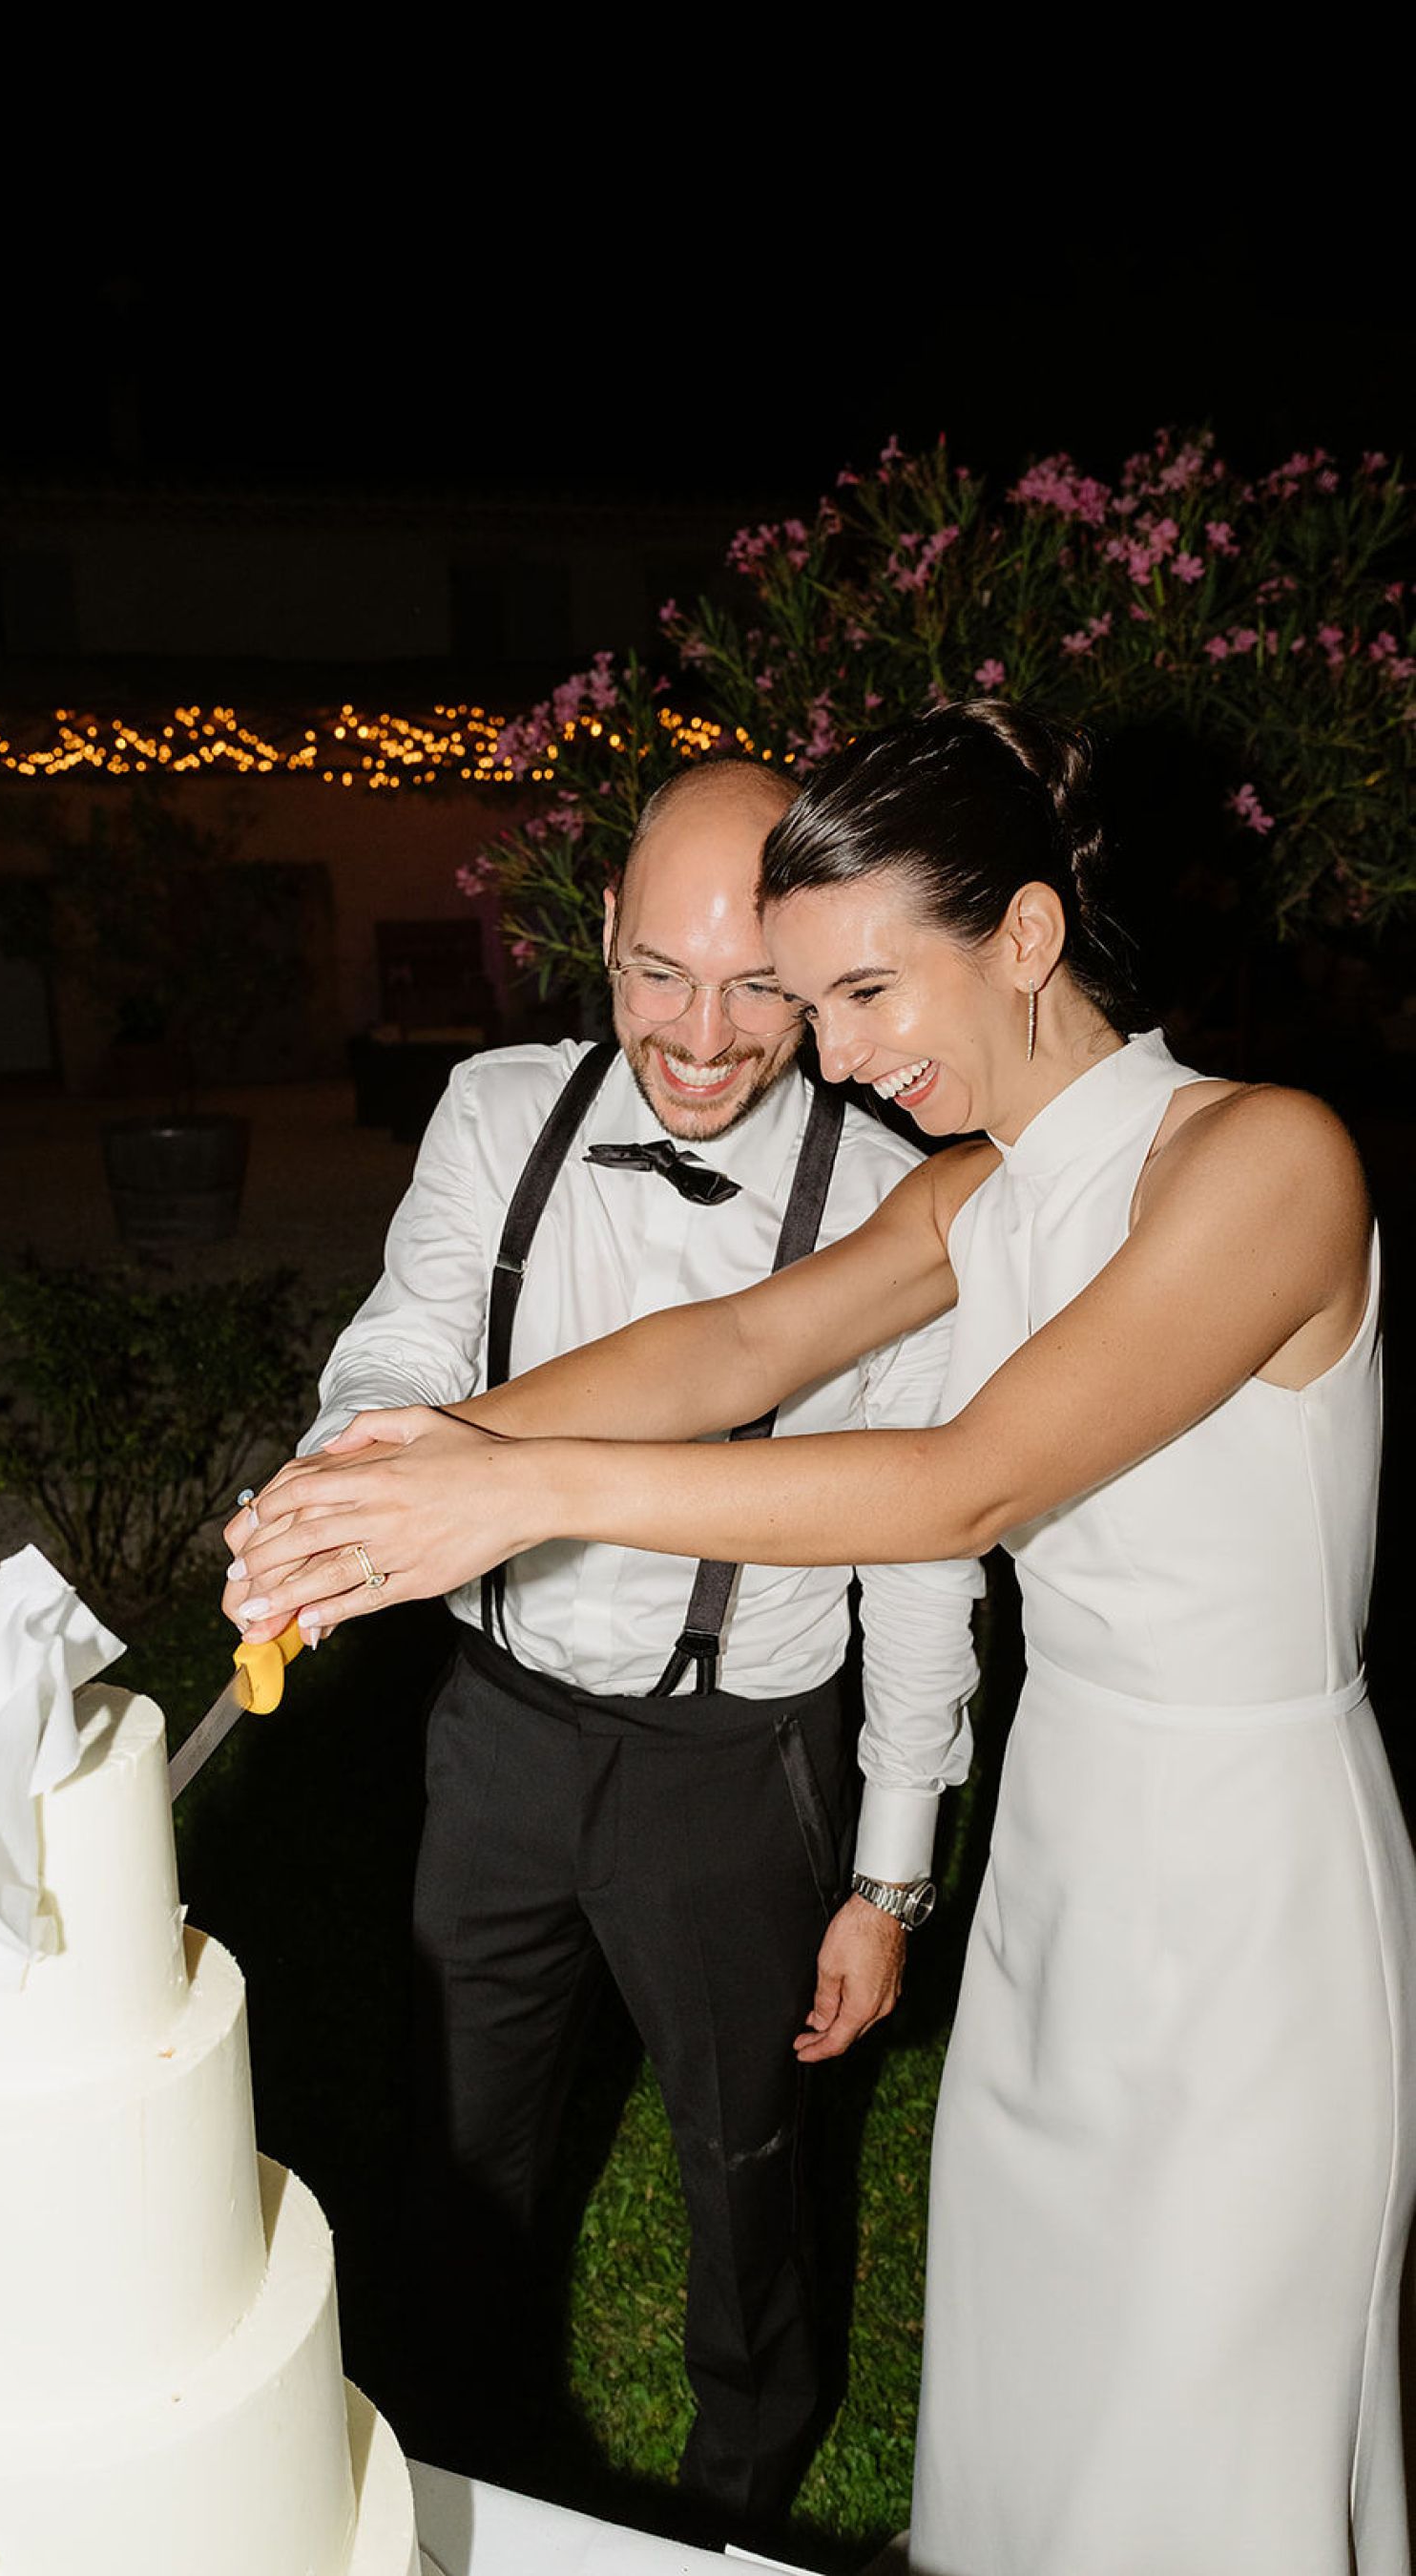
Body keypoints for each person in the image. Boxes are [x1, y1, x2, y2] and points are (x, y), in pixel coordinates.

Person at [227, 700, 1416, 2576]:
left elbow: (955, 1486)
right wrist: (415, 1456)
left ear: (1024, 937)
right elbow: (739, 1349)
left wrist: (529, 1494)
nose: (833, 1056)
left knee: (1212, 2381)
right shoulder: (978, 1194)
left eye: (865, 993)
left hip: (1249, 1871)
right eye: (816, 1004)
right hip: (1069, 1844)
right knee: (1048, 2362)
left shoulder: (1264, 1164)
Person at [235, 758, 982, 2531]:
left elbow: (926, 1568)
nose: (705, 1036)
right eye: (662, 973)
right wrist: (352, 1472)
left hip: (743, 1762)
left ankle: (743, 2493)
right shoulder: (496, 1110)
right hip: (494, 1735)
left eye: (756, 986)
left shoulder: (908, 1203)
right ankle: (455, 2454)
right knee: (459, 2135)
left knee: (748, 2162)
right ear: (601, 943)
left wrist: (887, 1879)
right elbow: (406, 1335)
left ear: (815, 973)